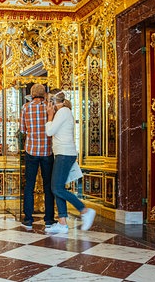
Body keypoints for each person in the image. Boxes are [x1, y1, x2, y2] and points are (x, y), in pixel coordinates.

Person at [44, 89, 95, 233]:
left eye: (49, 101)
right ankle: (62, 223)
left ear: (53, 102)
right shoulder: (62, 113)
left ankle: (84, 210)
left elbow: (49, 132)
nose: (47, 104)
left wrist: (49, 116)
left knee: (57, 188)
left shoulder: (63, 112)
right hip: (62, 153)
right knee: (57, 187)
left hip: (65, 154)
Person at [20, 83, 55, 230]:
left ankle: (28, 218)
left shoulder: (25, 108)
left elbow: (22, 129)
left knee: (29, 185)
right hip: (47, 151)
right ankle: (49, 219)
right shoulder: (50, 107)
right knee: (48, 186)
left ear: (32, 94)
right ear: (44, 94)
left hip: (31, 150)